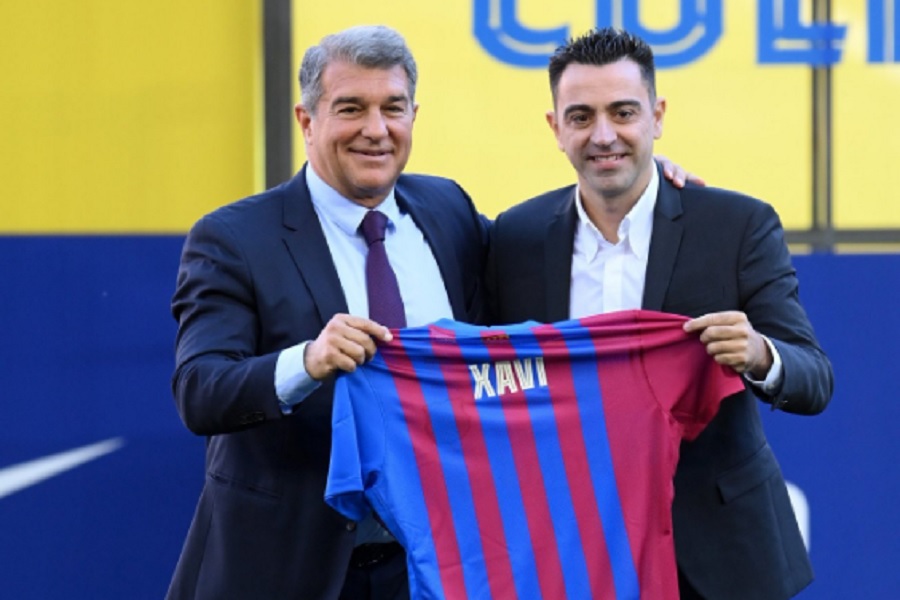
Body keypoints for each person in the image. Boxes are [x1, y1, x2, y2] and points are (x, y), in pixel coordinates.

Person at [168, 24, 695, 600]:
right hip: (290, 569)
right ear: (306, 120)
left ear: (413, 116)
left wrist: (636, 180)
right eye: (351, 108)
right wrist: (307, 361)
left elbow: (552, 246)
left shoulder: (447, 211)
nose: (376, 129)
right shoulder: (234, 238)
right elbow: (200, 390)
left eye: (393, 108)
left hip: (440, 569)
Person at [485, 28, 834, 600]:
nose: (603, 135)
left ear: (657, 116)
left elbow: (814, 378)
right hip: (572, 550)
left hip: (716, 558)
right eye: (581, 117)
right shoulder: (513, 239)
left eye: (623, 112)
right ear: (555, 127)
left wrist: (759, 355)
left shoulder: (735, 226)